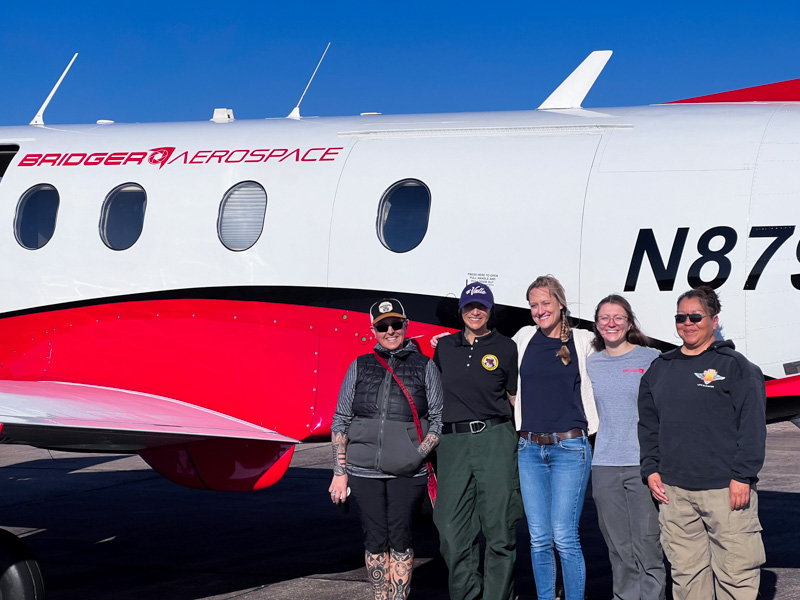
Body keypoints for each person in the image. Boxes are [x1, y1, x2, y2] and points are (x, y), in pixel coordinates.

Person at [638, 286, 766, 600]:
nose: (688, 323)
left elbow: (751, 427)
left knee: (736, 577)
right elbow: (648, 426)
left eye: (696, 316)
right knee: (686, 577)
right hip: (675, 494)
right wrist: (651, 469)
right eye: (681, 317)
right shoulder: (659, 369)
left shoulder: (736, 367)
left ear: (714, 320)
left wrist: (743, 476)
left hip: (726, 490)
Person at [329, 298, 443, 600]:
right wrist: (339, 473)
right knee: (375, 539)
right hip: (363, 469)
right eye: (383, 326)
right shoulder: (359, 366)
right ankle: (381, 597)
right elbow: (341, 419)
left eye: (395, 324)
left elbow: (437, 421)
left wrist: (416, 454)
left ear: (405, 325)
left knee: (401, 539)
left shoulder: (425, 366)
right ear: (373, 330)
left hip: (408, 471)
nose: (390, 331)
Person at [432, 282, 522, 600]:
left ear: (490, 310)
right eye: (470, 306)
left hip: (495, 437)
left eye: (481, 307)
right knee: (451, 530)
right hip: (452, 443)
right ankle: (467, 594)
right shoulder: (444, 348)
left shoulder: (506, 348)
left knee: (499, 530)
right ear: (461, 310)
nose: (475, 312)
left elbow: (514, 397)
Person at [512, 275, 598, 600]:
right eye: (533, 305)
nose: (539, 310)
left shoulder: (584, 341)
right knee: (538, 539)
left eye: (545, 303)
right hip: (529, 448)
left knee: (564, 537)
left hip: (570, 448)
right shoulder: (522, 338)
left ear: (560, 304)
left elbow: (616, 360)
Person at [586, 294, 666, 600]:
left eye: (618, 317)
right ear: (596, 325)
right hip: (604, 465)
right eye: (605, 318)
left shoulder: (651, 358)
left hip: (642, 465)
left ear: (629, 322)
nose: (611, 323)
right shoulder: (591, 363)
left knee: (648, 545)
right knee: (618, 548)